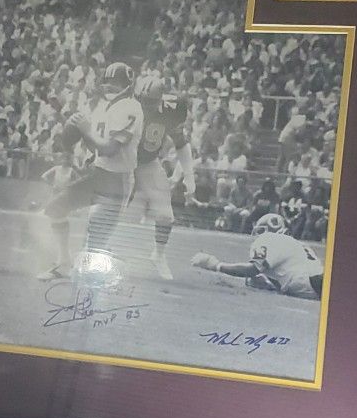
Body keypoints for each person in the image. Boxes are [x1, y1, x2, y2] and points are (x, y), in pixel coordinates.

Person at [37, 62, 144, 280]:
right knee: (55, 208)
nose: (111, 86)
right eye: (109, 81)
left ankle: (109, 267)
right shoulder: (105, 107)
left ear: (128, 85)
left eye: (118, 82)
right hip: (98, 173)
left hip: (117, 180)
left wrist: (85, 129)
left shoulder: (131, 107)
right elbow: (95, 145)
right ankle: (63, 264)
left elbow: (110, 149)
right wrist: (75, 129)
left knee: (93, 244)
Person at [132, 75, 196, 280]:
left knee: (166, 216)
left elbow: (181, 143)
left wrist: (189, 177)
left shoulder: (171, 110)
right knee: (105, 209)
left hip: (147, 164)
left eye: (150, 102)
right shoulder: (126, 106)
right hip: (120, 162)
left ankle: (158, 255)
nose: (145, 106)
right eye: (142, 100)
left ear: (160, 99)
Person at [191, 212, 323, 300]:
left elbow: (252, 269)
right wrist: (268, 282)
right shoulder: (297, 245)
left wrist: (215, 265)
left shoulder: (269, 238)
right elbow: (288, 276)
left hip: (315, 282)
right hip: (317, 283)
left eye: (260, 231)